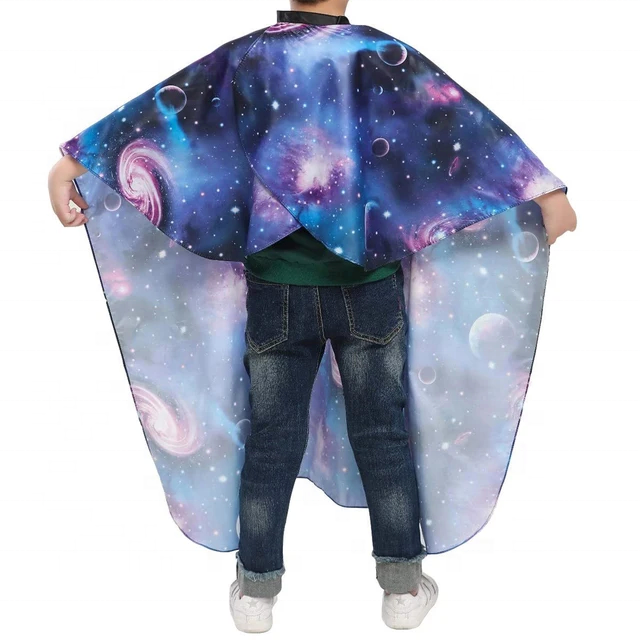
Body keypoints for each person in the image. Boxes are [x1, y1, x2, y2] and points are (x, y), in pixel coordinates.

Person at [48, 0, 577, 633]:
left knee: (272, 438)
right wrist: (545, 191)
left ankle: (256, 591)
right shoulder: (374, 53)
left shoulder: (246, 57)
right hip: (368, 289)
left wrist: (72, 162)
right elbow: (458, 126)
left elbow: (163, 118)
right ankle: (402, 587)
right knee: (382, 434)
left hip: (276, 290)